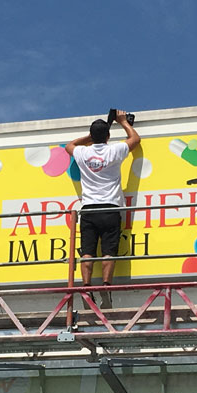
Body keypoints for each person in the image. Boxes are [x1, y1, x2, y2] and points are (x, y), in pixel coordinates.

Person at [65, 110, 140, 309]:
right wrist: (123, 122)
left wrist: (90, 137)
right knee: (109, 250)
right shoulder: (114, 151)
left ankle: (87, 287)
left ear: (92, 136)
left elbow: (69, 146)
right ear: (107, 136)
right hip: (110, 207)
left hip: (88, 208)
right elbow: (135, 139)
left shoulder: (83, 152)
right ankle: (106, 286)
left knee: (87, 251)